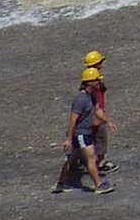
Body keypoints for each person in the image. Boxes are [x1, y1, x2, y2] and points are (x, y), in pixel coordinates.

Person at [53, 66, 111, 194]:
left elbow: (97, 110)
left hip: (84, 133)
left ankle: (61, 184)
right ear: (89, 82)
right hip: (81, 134)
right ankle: (99, 185)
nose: (99, 82)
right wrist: (69, 139)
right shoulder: (81, 99)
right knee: (91, 158)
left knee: (72, 159)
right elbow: (73, 120)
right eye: (96, 80)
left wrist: (107, 121)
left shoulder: (92, 95)